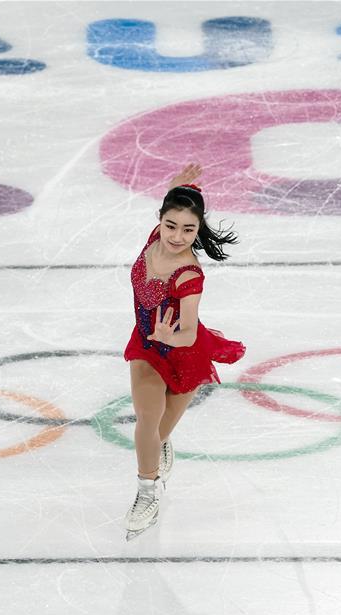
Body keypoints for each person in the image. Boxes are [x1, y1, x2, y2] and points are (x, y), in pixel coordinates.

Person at [123, 162, 246, 539]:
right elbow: (173, 207)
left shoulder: (189, 275)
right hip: (146, 345)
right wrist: (180, 185)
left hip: (183, 353)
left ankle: (159, 447)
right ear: (159, 220)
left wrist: (169, 336)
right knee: (146, 418)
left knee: (157, 432)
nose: (177, 237)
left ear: (198, 231)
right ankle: (148, 493)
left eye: (189, 230)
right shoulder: (153, 239)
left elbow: (189, 332)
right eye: (171, 225)